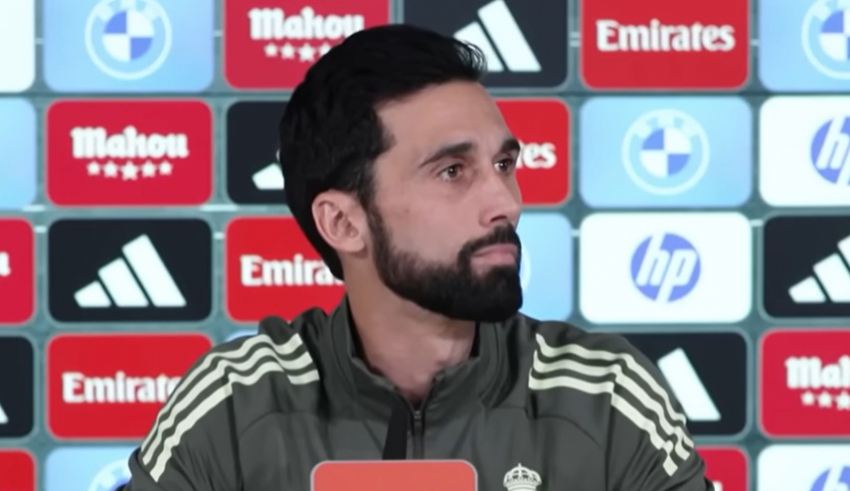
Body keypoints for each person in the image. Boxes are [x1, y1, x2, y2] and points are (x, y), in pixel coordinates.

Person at [123, 24, 713, 491]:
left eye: (503, 165)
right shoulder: (235, 406)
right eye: (453, 171)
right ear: (343, 223)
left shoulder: (605, 397)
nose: (505, 203)